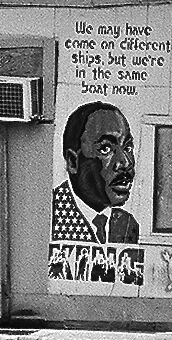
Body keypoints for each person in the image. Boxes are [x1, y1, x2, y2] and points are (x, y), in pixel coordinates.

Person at [50, 101, 140, 245]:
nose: (126, 163)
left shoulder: (127, 225)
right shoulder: (51, 215)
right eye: (106, 149)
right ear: (73, 162)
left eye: (127, 148)